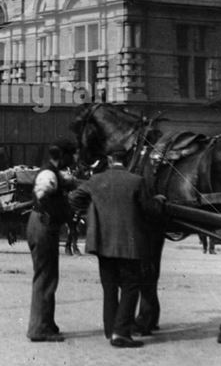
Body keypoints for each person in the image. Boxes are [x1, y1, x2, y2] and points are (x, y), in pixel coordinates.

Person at [71, 149, 166, 349]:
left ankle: (110, 329)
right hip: (129, 245)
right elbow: (150, 210)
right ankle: (121, 333)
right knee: (131, 287)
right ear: (127, 160)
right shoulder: (136, 181)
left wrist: (93, 211)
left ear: (109, 160)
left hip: (103, 244)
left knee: (110, 287)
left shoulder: (96, 180)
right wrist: (159, 201)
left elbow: (74, 199)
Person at [26, 138, 77, 343]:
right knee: (45, 277)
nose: (73, 159)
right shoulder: (48, 174)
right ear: (62, 156)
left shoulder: (53, 173)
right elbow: (42, 194)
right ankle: (39, 328)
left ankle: (47, 322)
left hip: (42, 224)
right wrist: (60, 210)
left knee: (48, 274)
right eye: (71, 155)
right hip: (43, 225)